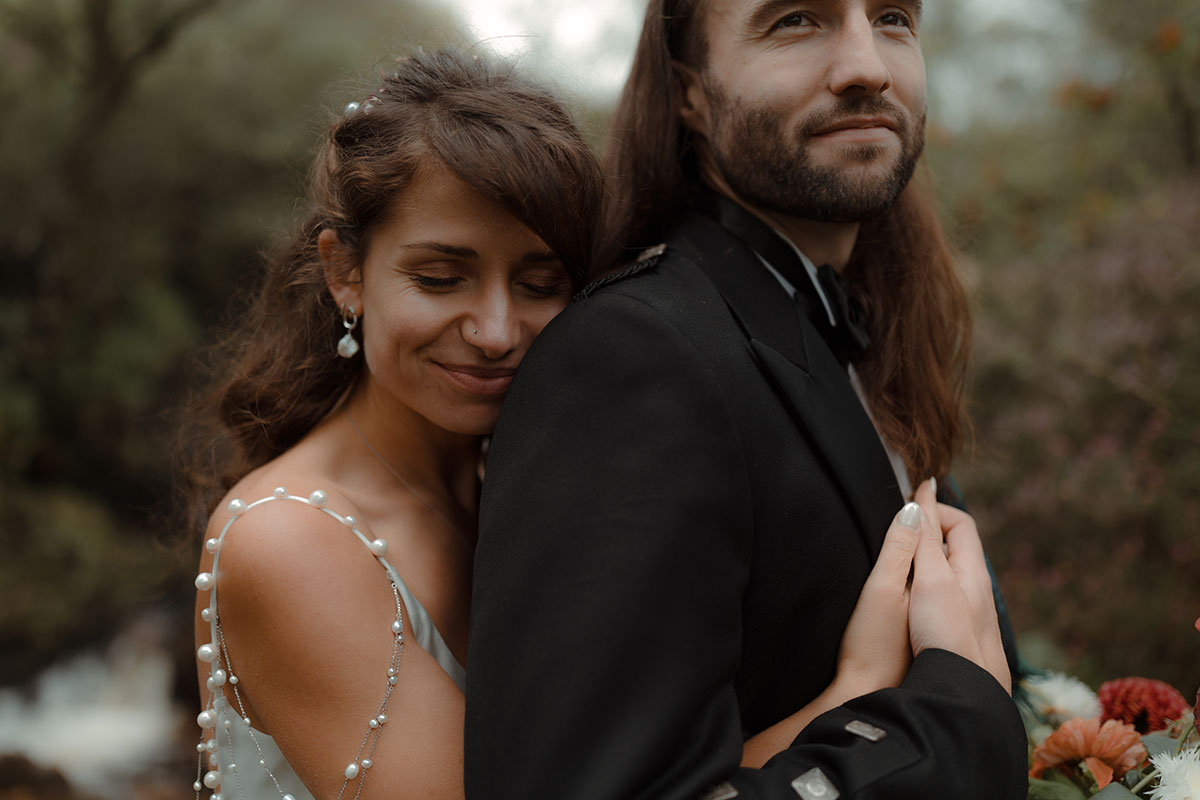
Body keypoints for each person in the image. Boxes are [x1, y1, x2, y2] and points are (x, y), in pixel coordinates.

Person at [465, 1, 1029, 798]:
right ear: (688, 93)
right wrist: (955, 715)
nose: (867, 64)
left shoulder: (857, 331)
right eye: (798, 19)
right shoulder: (630, 358)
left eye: (894, 16)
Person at [180, 49, 602, 799]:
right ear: (346, 273)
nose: (497, 330)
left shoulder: (521, 489)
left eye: (542, 283)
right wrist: (849, 706)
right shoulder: (292, 541)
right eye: (441, 279)